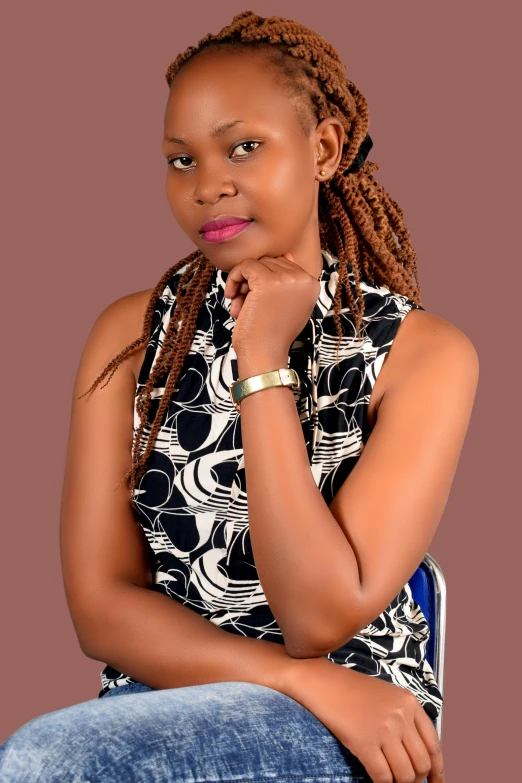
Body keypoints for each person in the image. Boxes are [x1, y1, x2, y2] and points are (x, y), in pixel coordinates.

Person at [0, 10, 478, 783]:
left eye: (243, 146)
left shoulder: (423, 355)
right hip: (162, 711)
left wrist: (261, 362)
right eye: (179, 159)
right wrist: (298, 676)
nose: (207, 184)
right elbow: (100, 606)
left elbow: (317, 617)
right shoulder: (128, 337)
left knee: (41, 761)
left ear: (322, 149)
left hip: (355, 722)